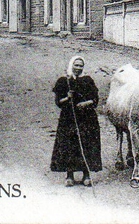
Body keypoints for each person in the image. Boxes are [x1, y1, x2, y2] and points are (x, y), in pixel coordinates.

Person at [50, 55, 103, 186]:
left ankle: (86, 175)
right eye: (76, 65)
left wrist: (85, 104)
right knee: (69, 144)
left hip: (87, 118)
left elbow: (95, 100)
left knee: (86, 143)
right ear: (71, 65)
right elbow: (58, 102)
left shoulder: (88, 80)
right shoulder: (64, 81)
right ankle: (69, 176)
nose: (78, 68)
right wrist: (67, 97)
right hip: (69, 118)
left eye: (80, 66)